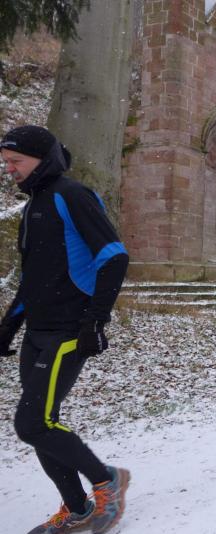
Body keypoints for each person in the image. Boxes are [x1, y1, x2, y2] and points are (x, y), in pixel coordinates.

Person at [0, 126, 130, 534]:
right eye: (6, 163)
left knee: (32, 424)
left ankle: (106, 482)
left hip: (69, 330)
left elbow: (114, 257)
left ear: (43, 159)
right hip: (37, 331)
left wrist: (95, 320)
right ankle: (77, 508)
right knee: (43, 424)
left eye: (16, 161)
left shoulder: (71, 196)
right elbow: (33, 278)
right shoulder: (32, 207)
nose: (9, 169)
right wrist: (9, 325)